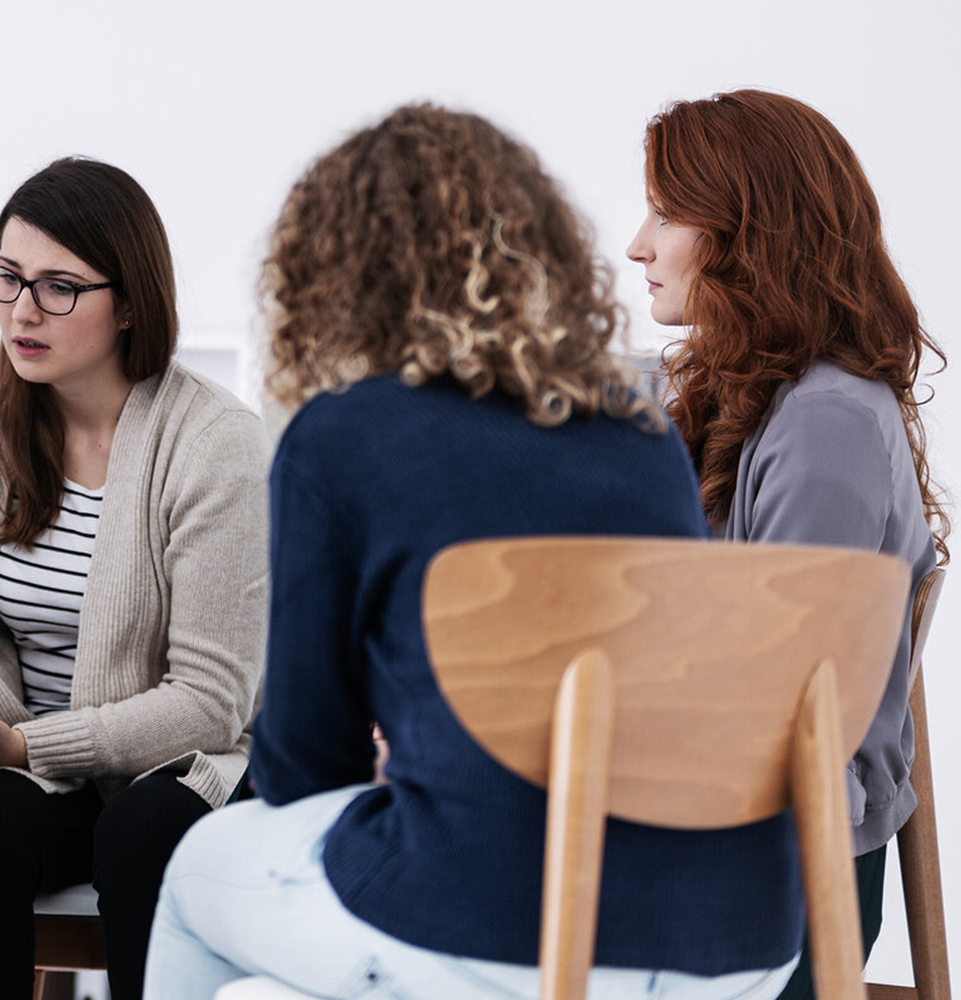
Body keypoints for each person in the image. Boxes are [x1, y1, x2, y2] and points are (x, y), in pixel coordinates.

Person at [145, 104, 798, 1000]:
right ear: (543, 254)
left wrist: (407, 768)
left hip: (494, 926)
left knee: (198, 870)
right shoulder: (641, 436)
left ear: (335, 276)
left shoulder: (341, 437)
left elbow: (305, 761)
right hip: (731, 934)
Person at [0, 156, 268, 1000]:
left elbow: (213, 702)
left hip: (186, 767)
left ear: (131, 301)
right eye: (9, 277)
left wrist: (33, 743)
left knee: (141, 832)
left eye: (60, 287)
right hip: (42, 765)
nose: (23, 311)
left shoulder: (216, 443)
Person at [627, 89, 945, 1000]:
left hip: (778, 886)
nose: (637, 244)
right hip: (735, 845)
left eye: (666, 213)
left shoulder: (824, 423)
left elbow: (786, 717)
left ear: (746, 234)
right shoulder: (749, 393)